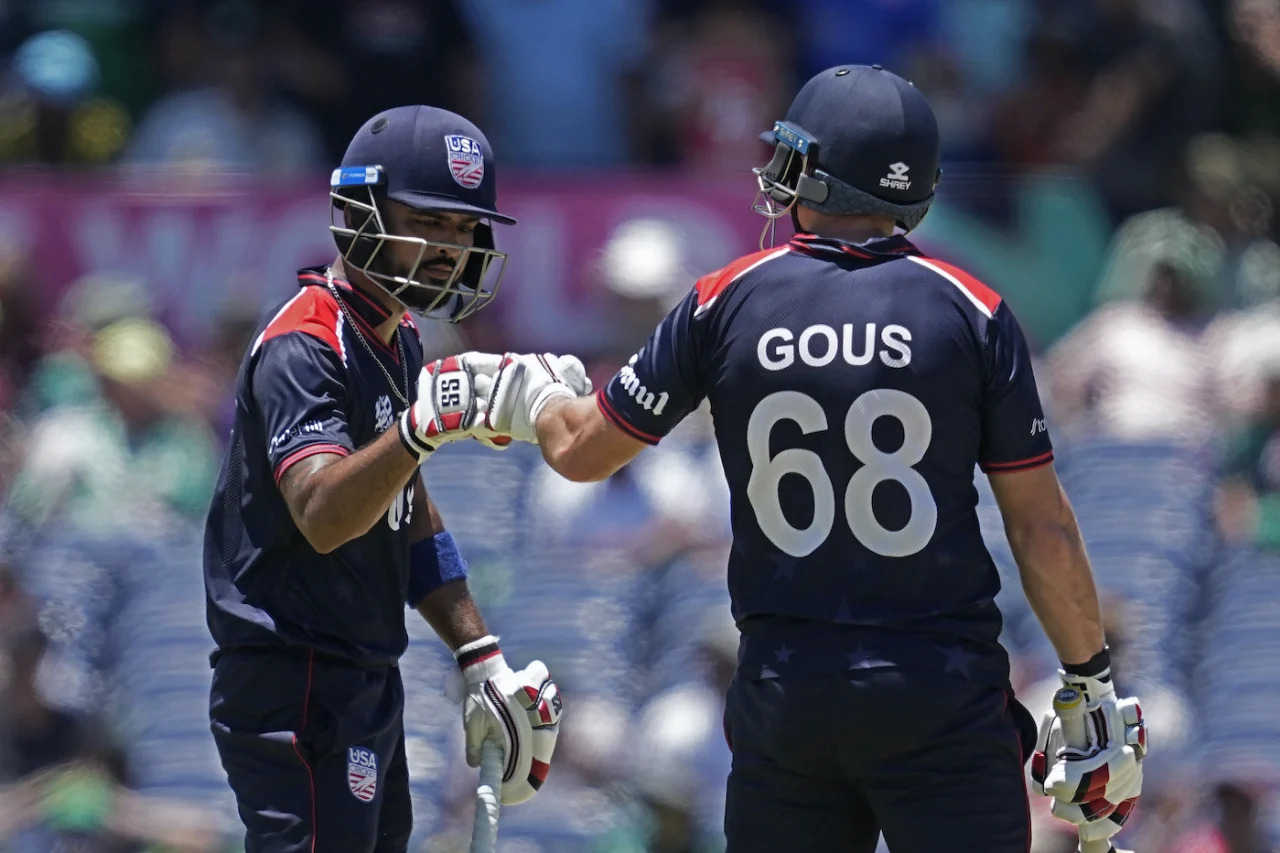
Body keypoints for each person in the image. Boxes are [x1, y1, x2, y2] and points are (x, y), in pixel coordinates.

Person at [480, 66, 1147, 851]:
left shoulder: (721, 298)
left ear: (815, 170)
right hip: (938, 687)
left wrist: (531, 398)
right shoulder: (973, 309)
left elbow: (582, 452)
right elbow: (1041, 528)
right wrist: (1090, 681)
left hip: (785, 687)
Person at [202, 105, 568, 853]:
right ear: (358, 209)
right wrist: (418, 427)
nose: (448, 248)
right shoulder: (305, 342)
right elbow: (324, 513)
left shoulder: (396, 335)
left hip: (365, 674)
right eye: (429, 220)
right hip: (294, 680)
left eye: (464, 229)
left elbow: (404, 505)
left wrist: (477, 651)